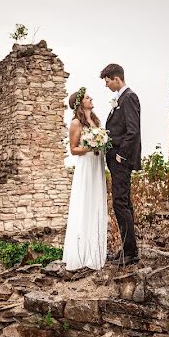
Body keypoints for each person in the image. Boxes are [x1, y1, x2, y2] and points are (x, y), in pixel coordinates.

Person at [61, 88, 109, 271]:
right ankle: (80, 253)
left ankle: (95, 253)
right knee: (84, 202)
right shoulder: (75, 123)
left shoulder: (95, 121)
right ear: (80, 103)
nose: (91, 98)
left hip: (97, 164)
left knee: (96, 201)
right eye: (88, 97)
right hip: (86, 165)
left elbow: (101, 139)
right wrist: (91, 147)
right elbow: (73, 150)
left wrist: (100, 143)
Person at [101, 64, 141, 265]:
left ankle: (130, 253)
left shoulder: (129, 97)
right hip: (116, 159)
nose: (106, 85)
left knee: (120, 203)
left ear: (116, 78)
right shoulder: (120, 99)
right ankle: (128, 248)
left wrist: (121, 156)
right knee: (124, 202)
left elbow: (133, 131)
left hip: (121, 160)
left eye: (107, 81)